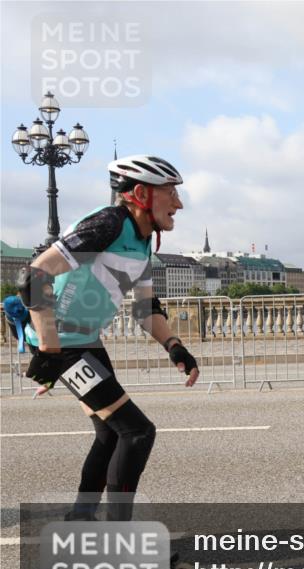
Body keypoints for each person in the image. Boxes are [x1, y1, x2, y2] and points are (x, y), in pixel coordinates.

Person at [16, 154, 199, 521]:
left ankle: (80, 520)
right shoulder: (109, 224)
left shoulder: (144, 239)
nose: (178, 204)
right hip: (63, 343)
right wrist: (50, 349)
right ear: (141, 194)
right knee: (137, 433)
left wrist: (174, 346)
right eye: (171, 193)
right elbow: (33, 276)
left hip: (84, 341)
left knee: (111, 434)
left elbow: (146, 308)